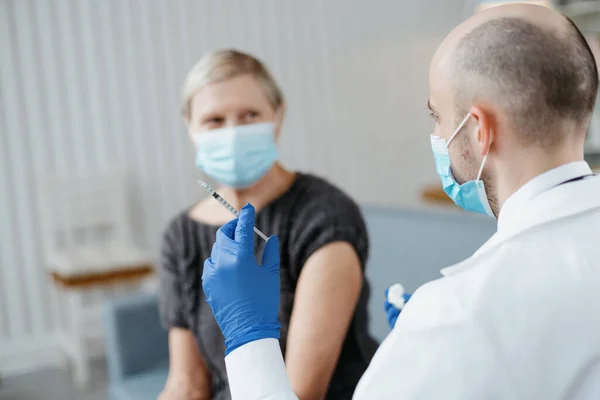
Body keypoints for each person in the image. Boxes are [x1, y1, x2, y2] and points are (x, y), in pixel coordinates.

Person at [201, 4, 600, 399]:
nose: (439, 134)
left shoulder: (459, 314)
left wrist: (247, 334)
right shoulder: (455, 321)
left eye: (437, 116)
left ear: (479, 129)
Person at [157, 49, 378, 400]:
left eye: (249, 115)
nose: (233, 133)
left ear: (277, 116)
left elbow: (301, 392)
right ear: (190, 127)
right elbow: (187, 383)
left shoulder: (323, 216)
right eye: (214, 120)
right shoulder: (180, 236)